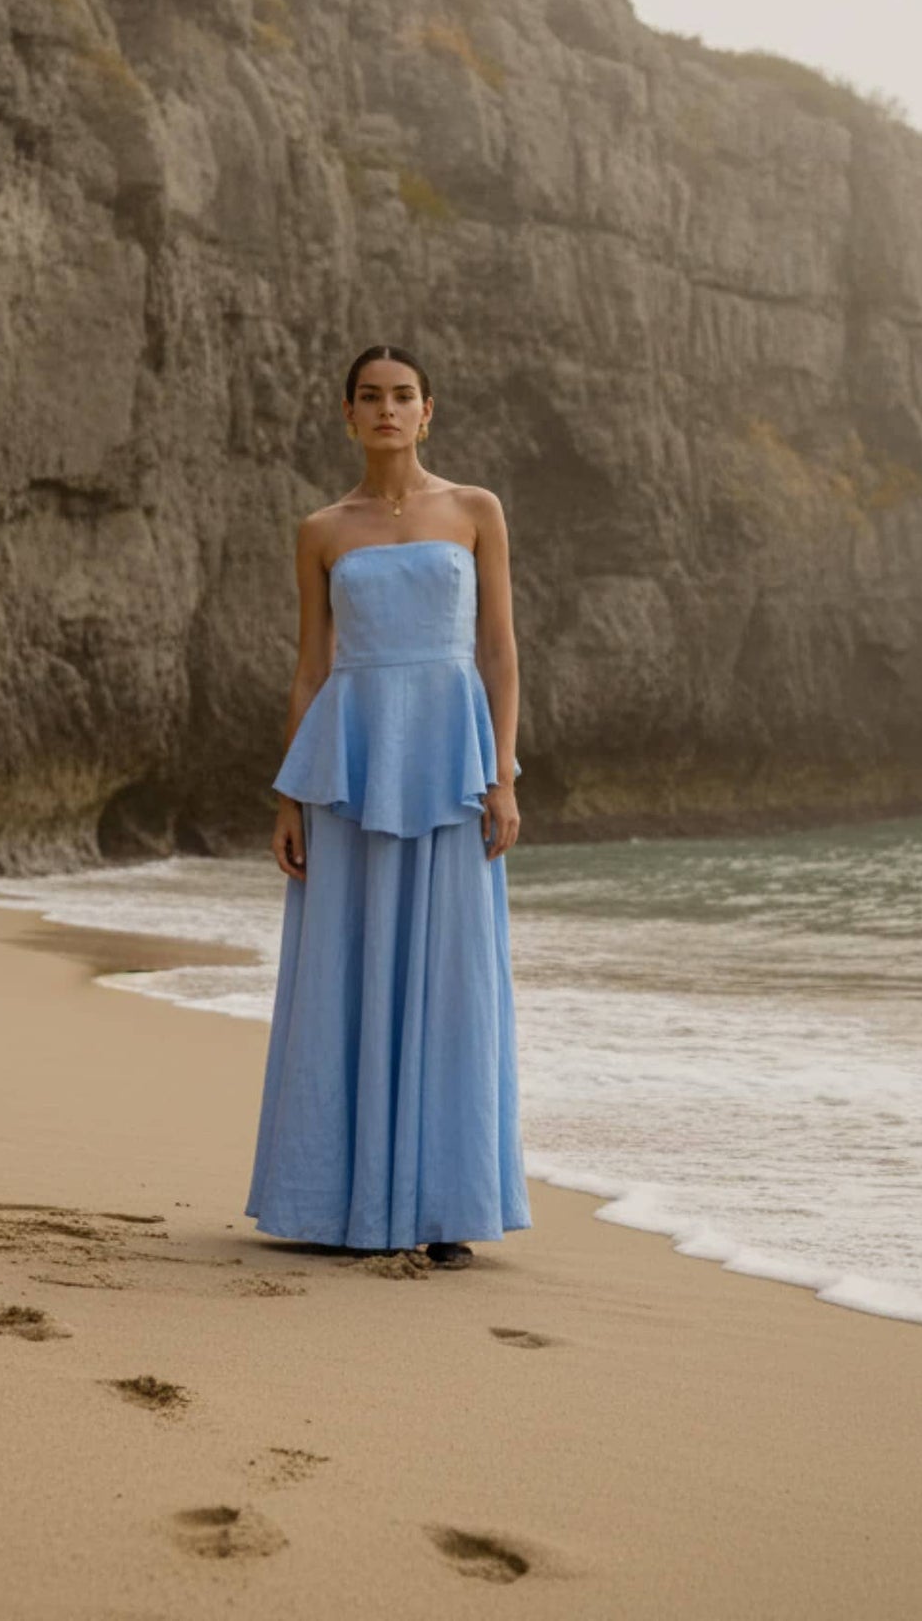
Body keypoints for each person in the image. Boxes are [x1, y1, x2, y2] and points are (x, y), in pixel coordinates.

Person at [246, 346, 531, 1268]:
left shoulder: (475, 509)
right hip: (351, 758)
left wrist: (503, 775)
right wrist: (290, 795)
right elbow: (310, 665)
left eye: (402, 396)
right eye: (370, 398)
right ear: (347, 415)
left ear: (427, 411)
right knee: (347, 960)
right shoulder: (323, 529)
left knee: (453, 972)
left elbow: (498, 651)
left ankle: (445, 1204)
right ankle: (337, 1200)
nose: (387, 410)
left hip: (448, 755)